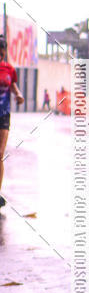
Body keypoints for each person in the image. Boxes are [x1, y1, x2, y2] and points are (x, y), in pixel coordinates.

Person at [0, 36, 25, 208]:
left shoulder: (9, 69)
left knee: (0, 155)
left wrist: (19, 95)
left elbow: (13, 87)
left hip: (3, 114)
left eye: (1, 52)